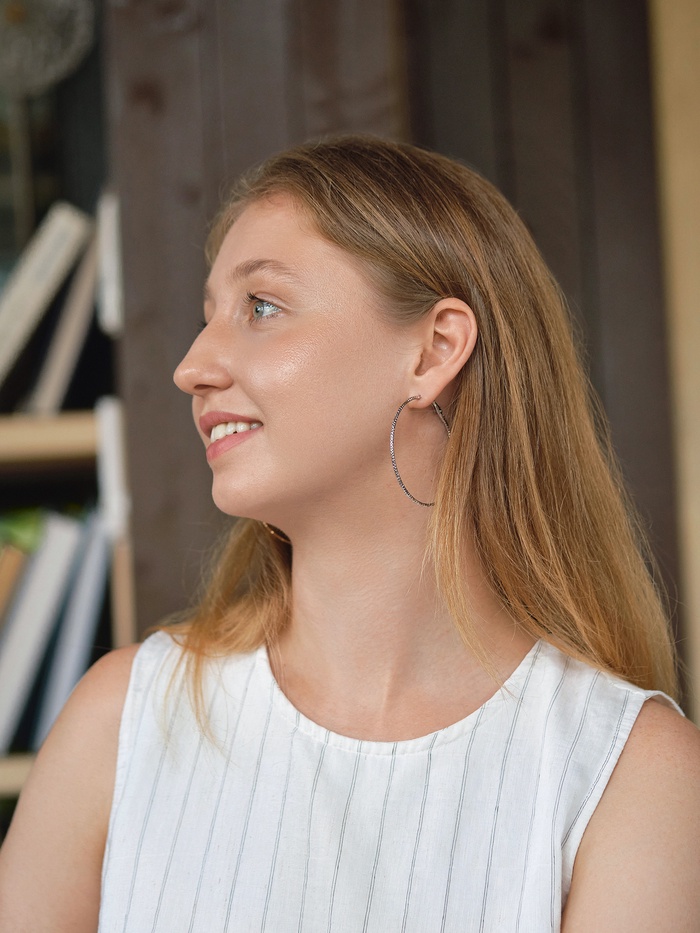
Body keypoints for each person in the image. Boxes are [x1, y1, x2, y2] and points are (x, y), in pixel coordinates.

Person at [1, 136, 699, 932]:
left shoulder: (631, 775)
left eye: (261, 307)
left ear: (434, 351)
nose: (192, 366)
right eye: (207, 317)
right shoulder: (121, 721)